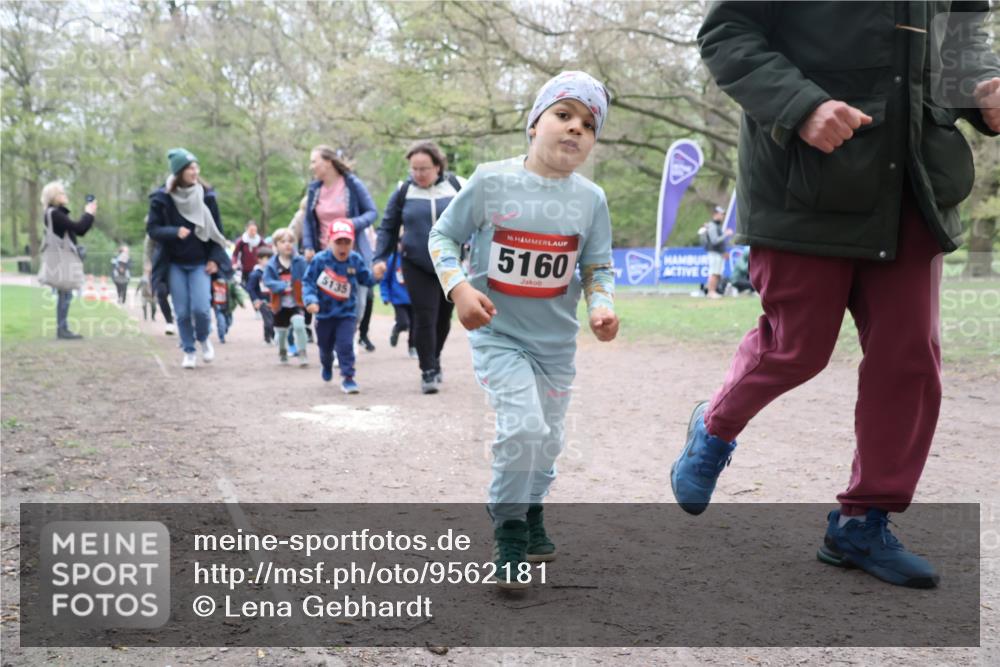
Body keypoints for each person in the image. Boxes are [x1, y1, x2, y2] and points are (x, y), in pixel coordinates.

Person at [671, 2, 1000, 589]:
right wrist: (801, 106)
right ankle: (714, 426)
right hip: (805, 180)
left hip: (913, 184)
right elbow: (728, 31)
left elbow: (962, 43)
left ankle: (862, 521)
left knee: (909, 360)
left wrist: (982, 87)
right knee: (797, 348)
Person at [429, 71, 618, 588]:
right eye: (563, 115)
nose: (575, 129)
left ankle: (533, 504)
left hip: (555, 344)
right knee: (524, 428)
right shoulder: (491, 181)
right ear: (534, 124)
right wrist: (459, 290)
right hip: (500, 335)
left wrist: (601, 307)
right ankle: (509, 530)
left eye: (588, 124)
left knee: (549, 440)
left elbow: (596, 267)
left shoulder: (591, 200)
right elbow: (443, 237)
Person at [373, 141, 465, 394]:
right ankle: (427, 370)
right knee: (425, 316)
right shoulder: (404, 191)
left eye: (424, 168)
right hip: (416, 263)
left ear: (437, 166)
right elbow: (388, 227)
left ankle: (434, 358)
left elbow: (478, 219)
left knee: (444, 318)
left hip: (451, 265)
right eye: (414, 168)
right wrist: (379, 257)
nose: (418, 174)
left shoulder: (457, 186)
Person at [146, 148, 232, 369]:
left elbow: (217, 231)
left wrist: (214, 258)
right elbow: (153, 229)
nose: (194, 171)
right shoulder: (162, 198)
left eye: (196, 167)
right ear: (179, 172)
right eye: (189, 168)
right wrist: (174, 231)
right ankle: (189, 350)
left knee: (202, 309)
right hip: (173, 263)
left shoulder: (206, 196)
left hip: (200, 262)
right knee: (182, 311)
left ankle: (203, 338)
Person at [301, 145, 378, 350]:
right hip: (325, 255)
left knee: (358, 303)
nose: (312, 167)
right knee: (328, 299)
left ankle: (349, 335)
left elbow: (372, 212)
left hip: (353, 252)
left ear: (327, 163)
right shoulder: (314, 189)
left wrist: (351, 224)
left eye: (314, 161)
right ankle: (338, 344)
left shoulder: (352, 185)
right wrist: (308, 246)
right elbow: (308, 221)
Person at [303, 220, 376, 393]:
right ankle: (326, 365)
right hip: (324, 314)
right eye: (338, 242)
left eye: (347, 242)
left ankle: (348, 377)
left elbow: (366, 279)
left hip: (346, 313)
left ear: (352, 243)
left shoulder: (355, 260)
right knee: (325, 348)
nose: (343, 247)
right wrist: (311, 300)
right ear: (329, 241)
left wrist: (378, 275)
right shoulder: (320, 260)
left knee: (345, 345)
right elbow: (308, 282)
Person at [38, 181, 96, 339]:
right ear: (54, 197)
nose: (65, 195)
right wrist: (89, 213)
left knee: (66, 292)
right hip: (62, 259)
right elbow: (79, 228)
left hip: (60, 258)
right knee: (65, 292)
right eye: (61, 193)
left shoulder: (55, 213)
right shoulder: (55, 213)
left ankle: (62, 328)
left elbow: (74, 231)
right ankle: (62, 329)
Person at [264, 227, 309, 366]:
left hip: (297, 302)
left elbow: (308, 277)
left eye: (290, 241)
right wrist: (282, 285)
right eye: (283, 241)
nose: (287, 244)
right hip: (280, 304)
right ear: (276, 245)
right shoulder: (272, 264)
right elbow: (267, 281)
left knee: (299, 325)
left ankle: (302, 353)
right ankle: (282, 350)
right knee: (281, 333)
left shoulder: (300, 261)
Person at [379, 244, 417, 358]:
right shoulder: (393, 258)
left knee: (415, 325)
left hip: (414, 299)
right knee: (404, 323)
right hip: (398, 299)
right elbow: (385, 279)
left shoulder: (415, 258)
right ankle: (397, 329)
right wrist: (385, 296)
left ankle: (412, 347)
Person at [144, 232, 175, 335]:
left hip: (176, 265)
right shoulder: (153, 233)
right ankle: (169, 321)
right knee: (161, 293)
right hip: (159, 266)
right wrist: (148, 267)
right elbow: (148, 251)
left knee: (179, 294)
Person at [246, 245, 276, 345]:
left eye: (270, 258)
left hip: (274, 300)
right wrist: (255, 300)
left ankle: (273, 337)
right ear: (259, 260)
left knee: (275, 320)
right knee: (268, 321)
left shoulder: (273, 272)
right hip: (263, 301)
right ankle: (268, 338)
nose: (269, 261)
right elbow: (250, 288)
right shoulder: (256, 274)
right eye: (266, 259)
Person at [701, 206, 733, 299]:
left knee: (717, 273)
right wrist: (725, 234)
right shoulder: (712, 226)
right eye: (721, 214)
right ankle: (711, 292)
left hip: (718, 253)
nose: (722, 216)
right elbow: (714, 241)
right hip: (714, 253)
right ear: (715, 214)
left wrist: (723, 252)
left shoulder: (716, 225)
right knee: (714, 272)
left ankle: (712, 291)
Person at [231, 220, 263, 287]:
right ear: (247, 229)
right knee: (246, 287)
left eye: (255, 230)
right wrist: (234, 263)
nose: (253, 232)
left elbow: (267, 250)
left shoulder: (259, 240)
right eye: (251, 230)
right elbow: (235, 254)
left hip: (256, 269)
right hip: (245, 269)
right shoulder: (242, 241)